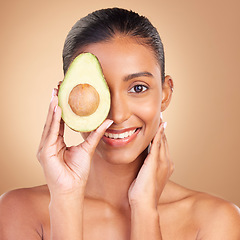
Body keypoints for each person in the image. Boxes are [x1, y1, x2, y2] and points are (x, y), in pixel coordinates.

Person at [0, 7, 239, 240]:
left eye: (138, 88)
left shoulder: (216, 220)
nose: (118, 113)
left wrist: (145, 209)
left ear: (165, 93)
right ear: (67, 98)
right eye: (96, 90)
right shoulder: (17, 211)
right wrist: (66, 198)